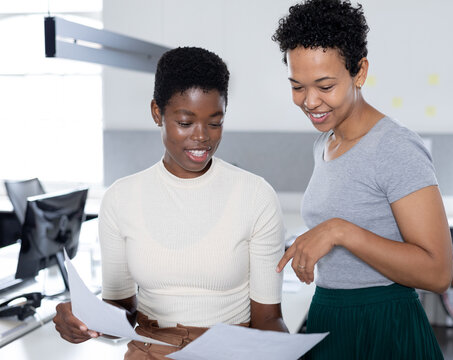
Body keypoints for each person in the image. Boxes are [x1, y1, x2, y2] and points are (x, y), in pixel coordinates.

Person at [53, 46, 288, 359]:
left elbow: (268, 319)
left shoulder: (256, 196)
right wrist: (85, 320)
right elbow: (121, 310)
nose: (202, 137)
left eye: (215, 122)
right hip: (150, 351)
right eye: (185, 122)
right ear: (156, 113)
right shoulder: (121, 199)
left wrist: (283, 351)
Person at [272, 0, 453, 359]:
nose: (310, 101)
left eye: (325, 85)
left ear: (359, 72)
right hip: (329, 316)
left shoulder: (395, 146)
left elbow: (438, 273)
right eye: (297, 86)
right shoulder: (325, 143)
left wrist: (341, 231)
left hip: (384, 325)